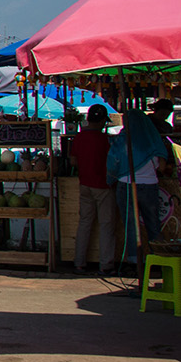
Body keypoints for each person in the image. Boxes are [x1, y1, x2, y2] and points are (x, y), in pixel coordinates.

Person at [108, 99, 175, 267]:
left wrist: (110, 180)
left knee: (130, 225)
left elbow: (112, 164)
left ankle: (133, 261)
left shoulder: (122, 139)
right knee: (153, 224)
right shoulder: (152, 140)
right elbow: (162, 167)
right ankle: (158, 260)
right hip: (150, 186)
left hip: (126, 185)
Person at [70, 104, 118, 275]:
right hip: (104, 186)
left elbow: (73, 161)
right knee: (106, 225)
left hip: (85, 184)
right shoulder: (105, 140)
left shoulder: (79, 137)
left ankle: (79, 263)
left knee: (84, 223)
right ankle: (106, 264)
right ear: (103, 120)